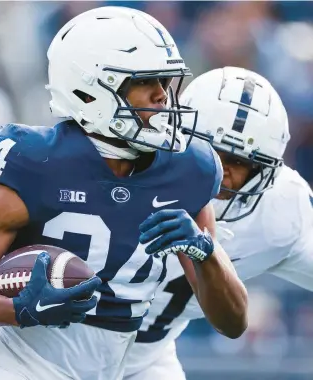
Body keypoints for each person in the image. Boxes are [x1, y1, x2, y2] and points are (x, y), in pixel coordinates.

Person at [0, 7, 247, 380]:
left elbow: (232, 322)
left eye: (165, 82)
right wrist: (20, 309)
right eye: (145, 83)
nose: (162, 97)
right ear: (89, 93)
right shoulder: (36, 163)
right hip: (15, 363)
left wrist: (206, 253)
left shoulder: (189, 168)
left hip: (123, 364)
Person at [124, 66, 313, 380]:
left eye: (240, 162)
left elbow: (234, 324)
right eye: (210, 151)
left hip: (147, 358)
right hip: (61, 340)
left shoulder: (282, 210)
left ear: (266, 170)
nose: (220, 171)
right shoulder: (129, 164)